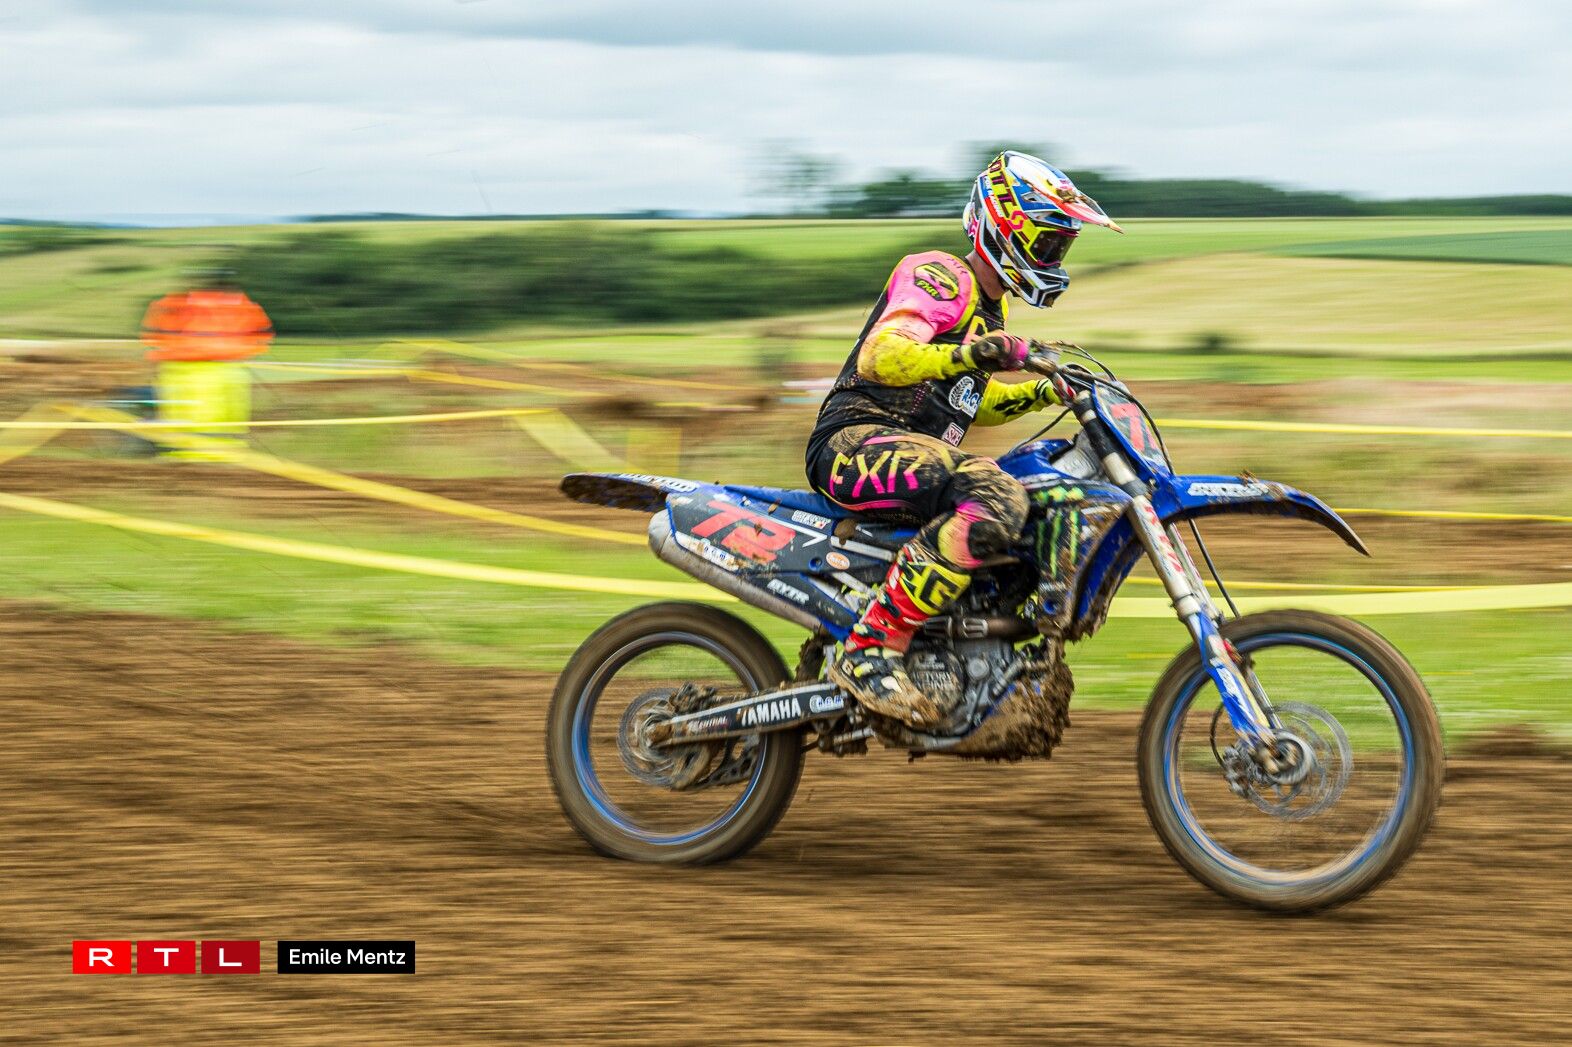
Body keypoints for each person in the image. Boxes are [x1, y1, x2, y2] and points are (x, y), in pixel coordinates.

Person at [804, 150, 1122, 728]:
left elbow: (974, 400)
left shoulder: (991, 311)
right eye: (1048, 243)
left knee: (1031, 496)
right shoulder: (942, 275)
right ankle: (869, 649)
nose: (1054, 258)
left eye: (1061, 247)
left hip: (911, 455)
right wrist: (976, 352)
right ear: (1007, 226)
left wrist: (1049, 392)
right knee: (995, 493)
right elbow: (882, 356)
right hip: (854, 442)